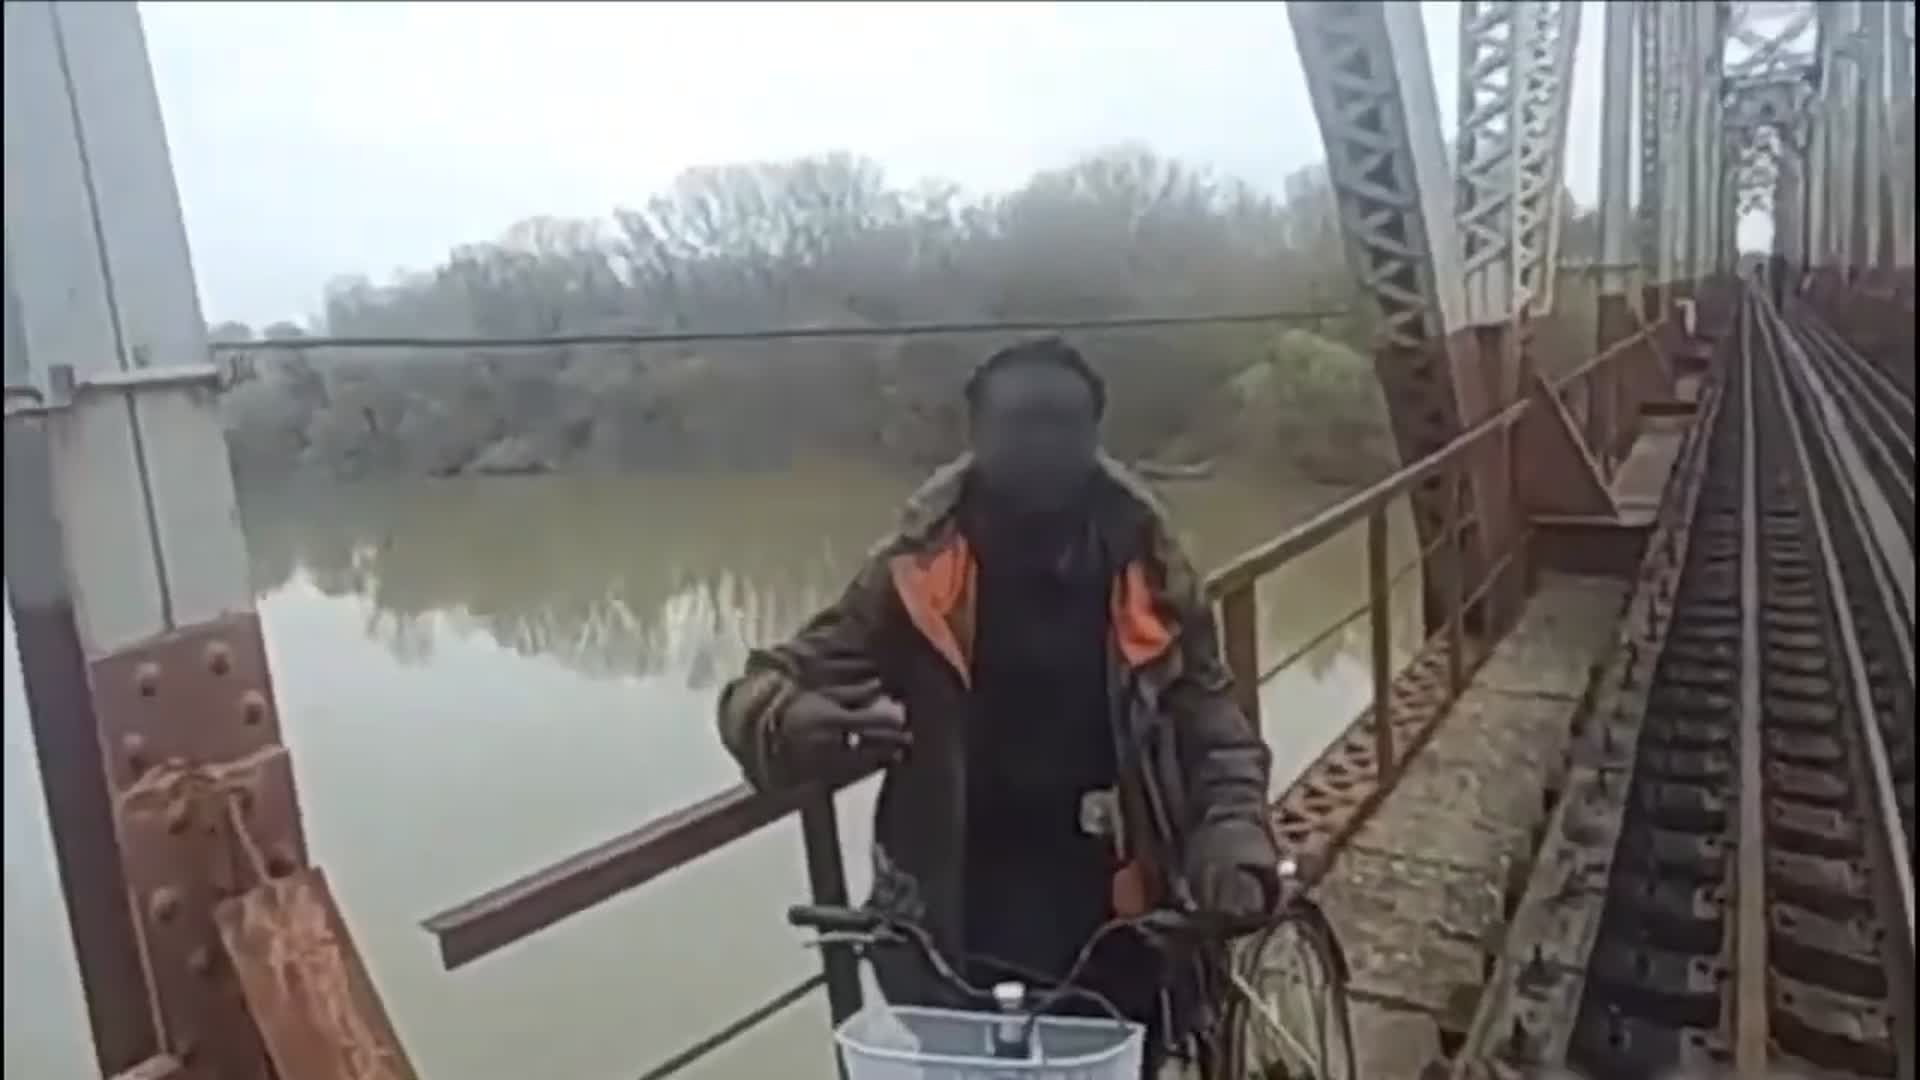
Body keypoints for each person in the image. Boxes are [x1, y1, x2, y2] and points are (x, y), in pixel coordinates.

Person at [716, 336, 1281, 1069]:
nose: (1042, 445)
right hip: (954, 910)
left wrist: (1233, 830)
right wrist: (786, 722)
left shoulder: (1151, 569)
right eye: (1018, 423)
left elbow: (1213, 723)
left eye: (1063, 423)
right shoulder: (917, 573)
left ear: (1095, 434)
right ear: (975, 433)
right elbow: (772, 679)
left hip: (1116, 903)